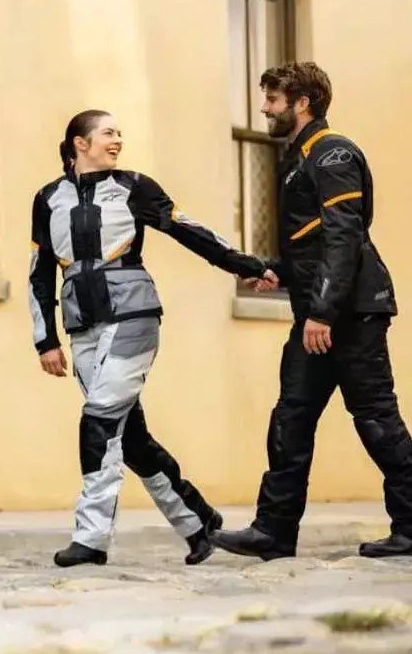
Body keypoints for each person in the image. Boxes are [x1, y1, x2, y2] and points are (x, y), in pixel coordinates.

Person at [29, 110, 274, 567]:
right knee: (131, 439)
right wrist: (45, 339)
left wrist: (246, 265)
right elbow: (40, 273)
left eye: (119, 133)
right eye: (108, 133)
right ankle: (199, 523)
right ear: (81, 143)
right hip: (82, 326)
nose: (117, 140)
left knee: (99, 421)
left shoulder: (135, 187)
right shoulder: (47, 199)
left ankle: (91, 538)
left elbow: (187, 230)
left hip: (134, 316)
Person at [212, 62, 412, 560]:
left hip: (352, 313)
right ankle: (273, 532)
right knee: (291, 416)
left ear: (302, 102)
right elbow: (312, 244)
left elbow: (344, 237)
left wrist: (321, 312)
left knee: (375, 417)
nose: (264, 108)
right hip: (317, 313)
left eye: (273, 99)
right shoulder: (297, 159)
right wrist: (278, 271)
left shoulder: (332, 154)